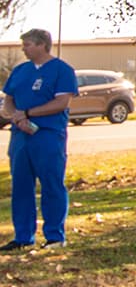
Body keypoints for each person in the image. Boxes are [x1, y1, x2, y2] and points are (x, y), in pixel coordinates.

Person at [1, 29, 78, 250]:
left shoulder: (61, 71)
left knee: (51, 183)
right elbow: (9, 100)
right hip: (20, 135)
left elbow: (61, 102)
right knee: (21, 185)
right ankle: (23, 237)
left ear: (43, 45)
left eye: (28, 44)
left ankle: (55, 236)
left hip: (48, 135)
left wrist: (29, 114)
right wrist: (16, 116)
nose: (24, 49)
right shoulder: (20, 71)